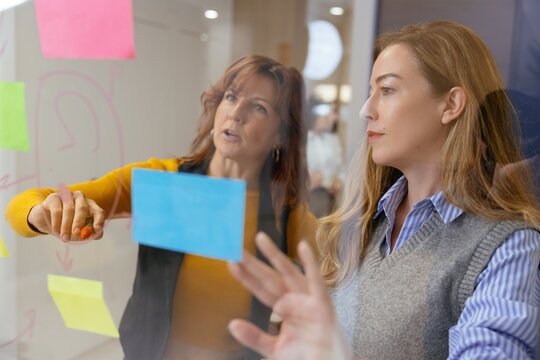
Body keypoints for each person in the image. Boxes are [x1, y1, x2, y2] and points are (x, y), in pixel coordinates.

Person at [227, 21, 540, 359]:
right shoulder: (359, 230)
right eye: (370, 92)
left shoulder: (508, 247)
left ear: (451, 105)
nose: (366, 110)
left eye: (387, 90)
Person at [5, 55, 318, 360]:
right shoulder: (164, 179)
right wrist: (44, 214)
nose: (236, 113)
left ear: (280, 134)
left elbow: (337, 282)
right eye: (231, 96)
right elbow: (19, 207)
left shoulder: (286, 213)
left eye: (259, 107)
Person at [306, 98, 345, 217]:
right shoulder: (302, 140)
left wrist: (339, 181)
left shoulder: (333, 140)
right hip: (309, 197)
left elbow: (341, 169)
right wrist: (308, 180)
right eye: (327, 114)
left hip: (330, 198)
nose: (332, 118)